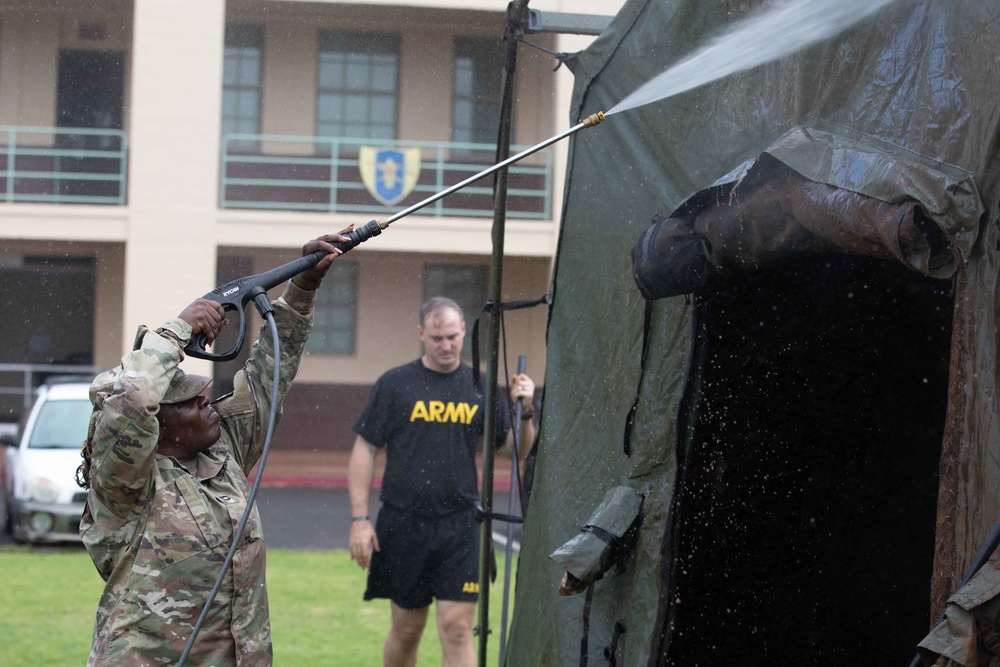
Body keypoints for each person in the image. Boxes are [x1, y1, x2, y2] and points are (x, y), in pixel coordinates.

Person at [75, 231, 351, 667]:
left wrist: (303, 286)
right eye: (188, 400)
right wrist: (178, 329)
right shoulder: (126, 483)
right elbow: (128, 397)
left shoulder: (223, 451)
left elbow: (266, 377)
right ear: (156, 424)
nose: (208, 399)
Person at [348, 296, 537, 667]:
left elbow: (514, 450)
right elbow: (365, 449)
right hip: (404, 522)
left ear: (464, 331)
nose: (446, 345)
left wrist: (526, 412)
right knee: (406, 631)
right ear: (421, 334)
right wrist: (359, 519)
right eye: (437, 338)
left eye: (452, 336)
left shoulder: (480, 385)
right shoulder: (396, 384)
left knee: (457, 628)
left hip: (461, 523)